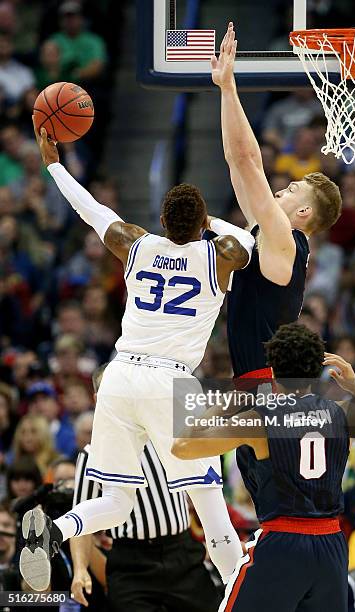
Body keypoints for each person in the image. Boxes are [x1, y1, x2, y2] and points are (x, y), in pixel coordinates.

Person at [19, 118, 255, 591]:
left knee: (119, 500)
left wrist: (54, 167)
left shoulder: (135, 244)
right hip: (170, 383)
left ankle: (54, 530)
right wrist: (209, 221)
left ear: (162, 221)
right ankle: (236, 590)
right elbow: (249, 238)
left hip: (119, 376)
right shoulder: (221, 256)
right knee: (208, 499)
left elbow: (93, 211)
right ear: (202, 221)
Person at [172, 323, 355, 612]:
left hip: (282, 542)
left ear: (272, 371)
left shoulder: (258, 419)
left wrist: (225, 405)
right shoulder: (342, 412)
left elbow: (182, 448)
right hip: (331, 545)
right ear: (317, 370)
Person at [212, 23, 342, 379]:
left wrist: (229, 87)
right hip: (260, 381)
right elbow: (236, 159)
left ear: (303, 212)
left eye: (293, 190)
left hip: (269, 386)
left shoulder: (284, 239)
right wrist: (225, 91)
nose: (282, 189)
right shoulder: (271, 233)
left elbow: (246, 160)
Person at [70, 365, 220, 612]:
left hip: (181, 554)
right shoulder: (92, 454)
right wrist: (79, 569)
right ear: (99, 400)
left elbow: (205, 485)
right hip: (131, 564)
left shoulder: (169, 435)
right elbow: (81, 521)